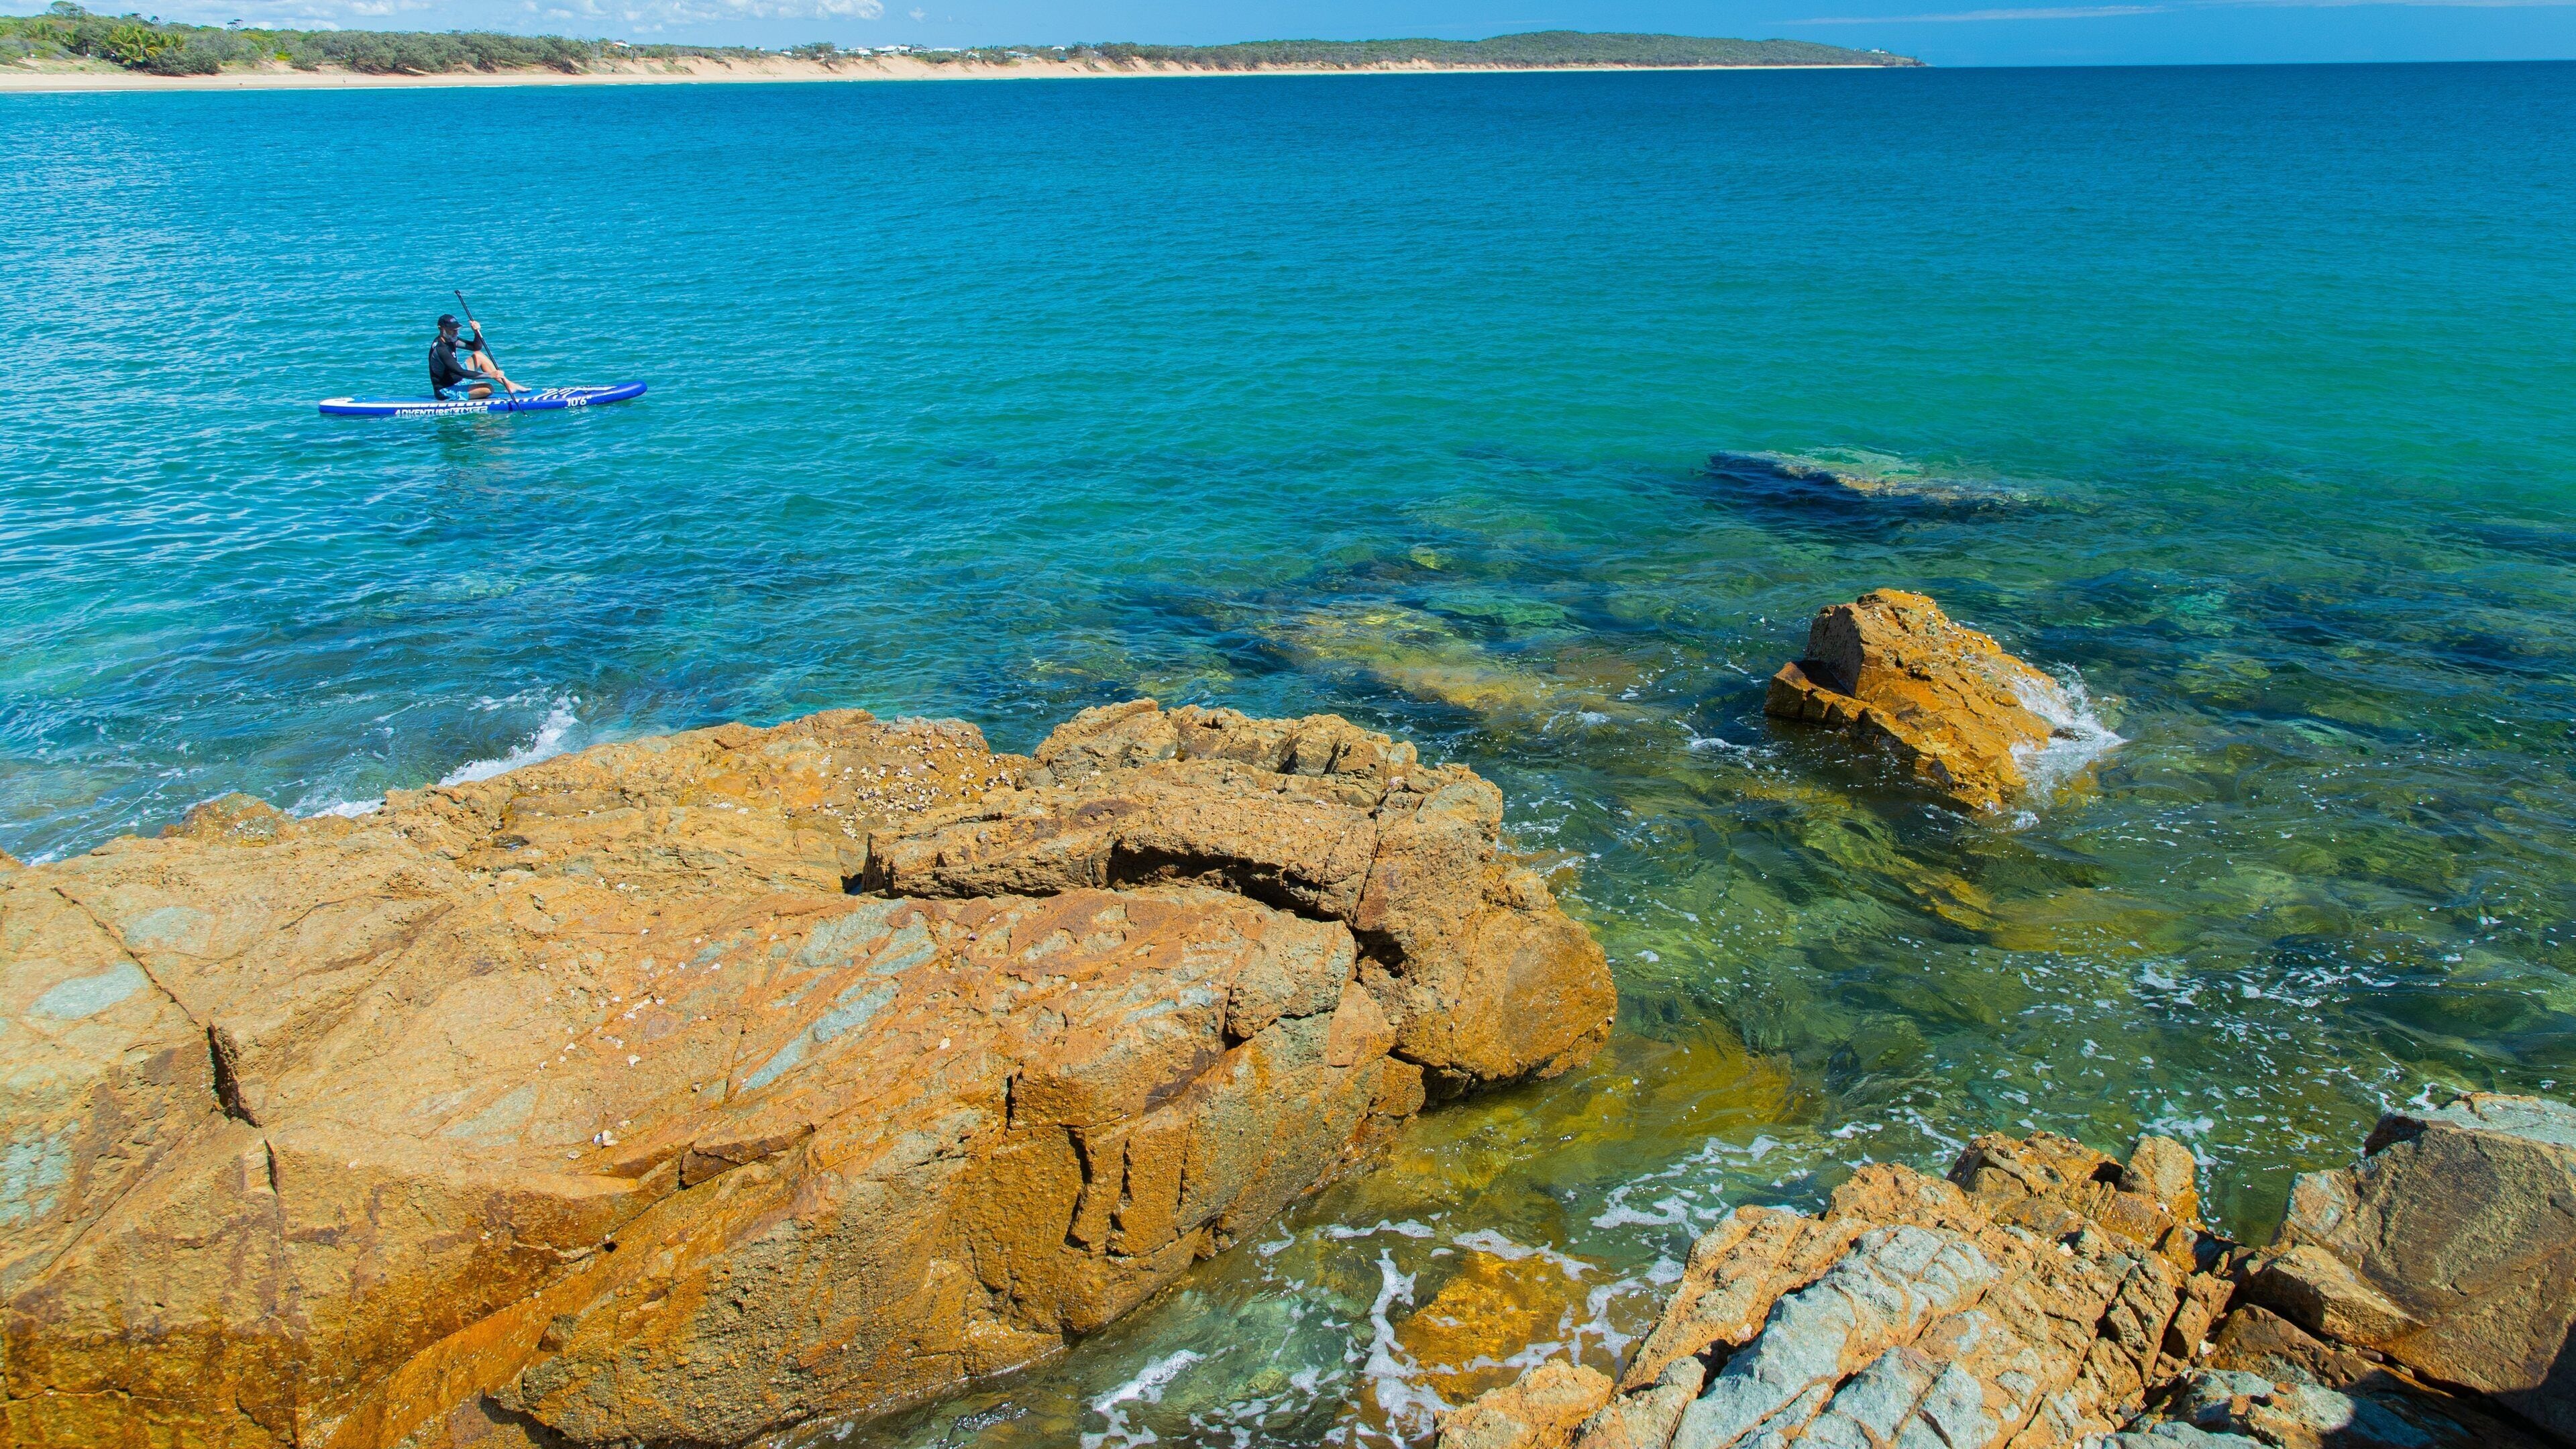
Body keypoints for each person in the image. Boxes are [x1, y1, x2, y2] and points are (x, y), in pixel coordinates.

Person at [428, 314, 520, 400]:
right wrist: (490, 375)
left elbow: (476, 347)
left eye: (457, 330)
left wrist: (476, 332)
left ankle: (509, 385)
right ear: (441, 329)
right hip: (446, 390)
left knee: (478, 356)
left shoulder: (451, 340)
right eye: (452, 330)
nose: (456, 333)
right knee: (488, 389)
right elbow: (461, 372)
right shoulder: (441, 349)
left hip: (457, 379)